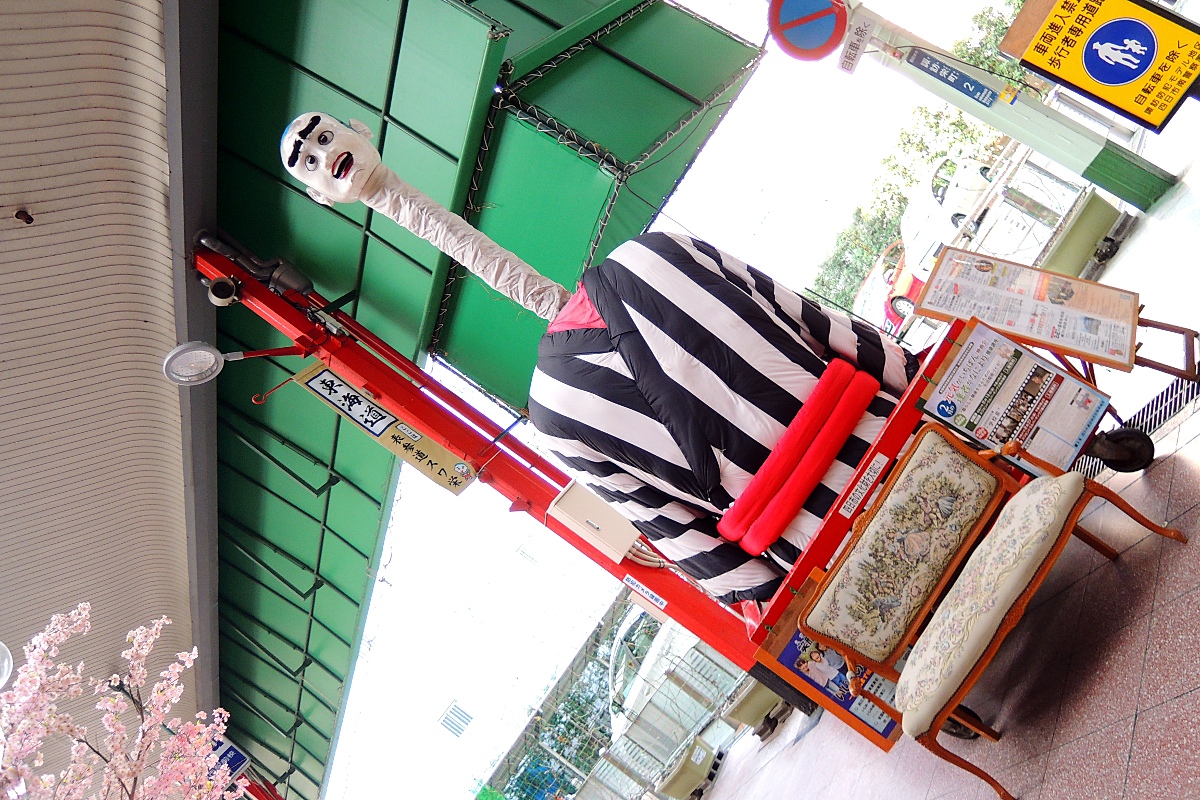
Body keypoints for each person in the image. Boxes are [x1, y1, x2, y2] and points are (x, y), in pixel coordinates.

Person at [281, 112, 920, 605]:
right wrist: (910, 375)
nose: (325, 155)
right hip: (899, 439)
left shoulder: (549, 413)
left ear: (359, 133)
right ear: (321, 194)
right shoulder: (660, 250)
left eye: (323, 139)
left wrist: (768, 595)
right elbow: (814, 322)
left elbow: (670, 527)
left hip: (821, 551)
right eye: (311, 160)